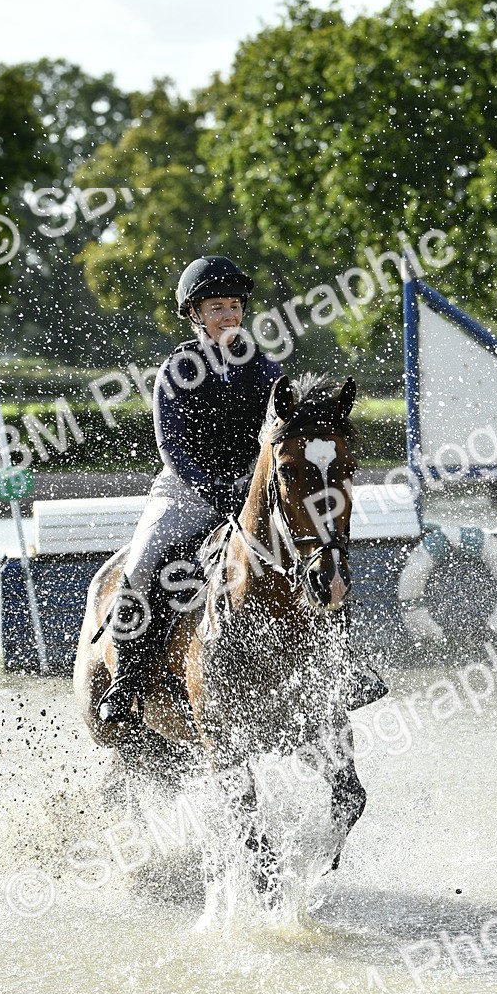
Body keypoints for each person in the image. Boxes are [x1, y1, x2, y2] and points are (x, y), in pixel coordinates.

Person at [97, 255, 386, 725]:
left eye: (234, 306)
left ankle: (343, 663)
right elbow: (172, 448)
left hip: (251, 490)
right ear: (195, 314)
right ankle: (126, 681)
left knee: (320, 547)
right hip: (185, 491)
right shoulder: (176, 371)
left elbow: (280, 430)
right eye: (216, 308)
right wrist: (214, 489)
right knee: (143, 563)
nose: (228, 315)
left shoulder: (262, 368)